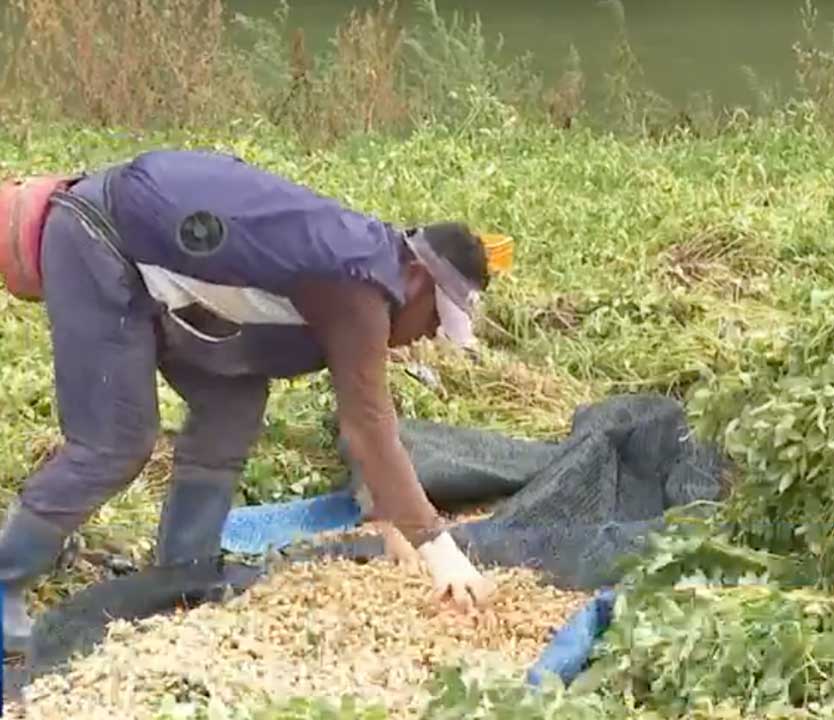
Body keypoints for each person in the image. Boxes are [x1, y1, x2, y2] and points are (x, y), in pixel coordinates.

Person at [0, 149, 497, 656]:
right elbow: (368, 424)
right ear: (417, 278)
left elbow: (361, 403)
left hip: (184, 279)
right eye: (434, 320)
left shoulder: (367, 267)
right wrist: (439, 549)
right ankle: (4, 582)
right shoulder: (358, 285)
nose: (427, 336)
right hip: (100, 235)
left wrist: (386, 514)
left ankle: (181, 575)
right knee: (115, 440)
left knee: (232, 407)